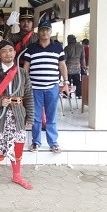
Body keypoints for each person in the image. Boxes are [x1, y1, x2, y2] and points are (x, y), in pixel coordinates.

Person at [0, 39, 34, 190]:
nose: (7, 53)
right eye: (4, 51)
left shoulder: (22, 72)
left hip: (17, 114)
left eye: (10, 50)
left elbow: (29, 95)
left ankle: (17, 175)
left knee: (17, 145)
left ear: (15, 52)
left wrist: (30, 117)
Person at [23, 20, 69, 154]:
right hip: (35, 88)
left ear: (50, 32)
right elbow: (26, 67)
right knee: (36, 117)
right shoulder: (31, 48)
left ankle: (53, 143)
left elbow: (62, 66)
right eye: (42, 30)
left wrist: (65, 82)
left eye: (47, 30)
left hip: (52, 87)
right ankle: (36, 142)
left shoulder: (58, 48)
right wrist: (25, 84)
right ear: (38, 32)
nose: (44, 32)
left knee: (51, 116)